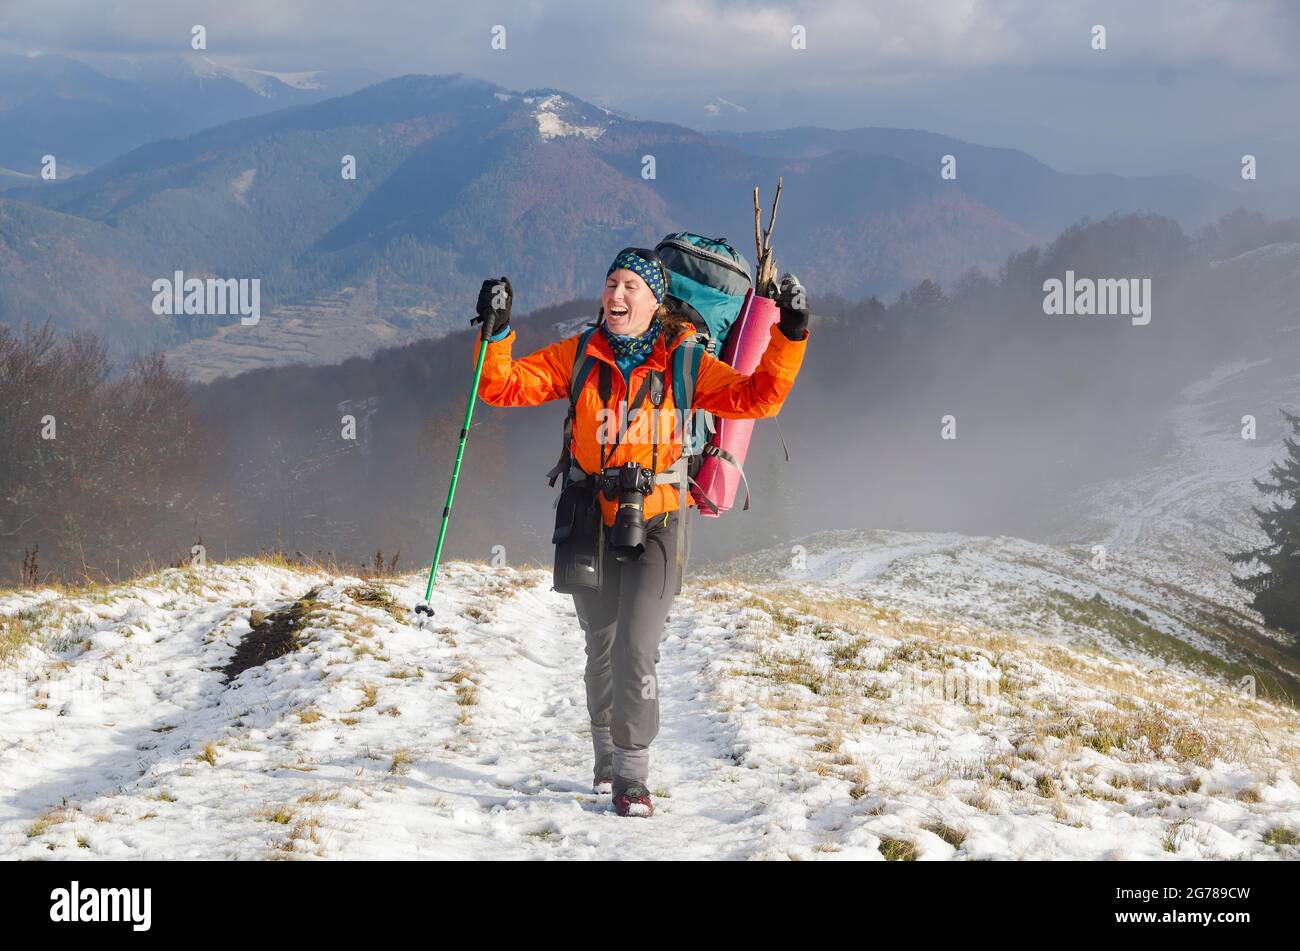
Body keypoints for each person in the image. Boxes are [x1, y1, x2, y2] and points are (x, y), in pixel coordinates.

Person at [470, 248, 809, 816]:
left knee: (636, 649)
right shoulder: (580, 355)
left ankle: (632, 778)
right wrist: (497, 331)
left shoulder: (684, 362)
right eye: (610, 284)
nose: (616, 295)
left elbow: (758, 398)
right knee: (600, 648)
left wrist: (792, 334)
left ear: (657, 301)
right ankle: (606, 755)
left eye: (631, 285)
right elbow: (500, 387)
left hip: (659, 519)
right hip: (591, 520)